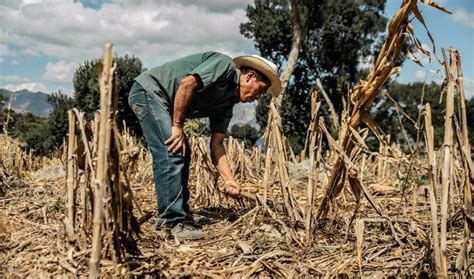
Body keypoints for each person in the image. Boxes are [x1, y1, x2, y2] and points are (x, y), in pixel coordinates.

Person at [128, 51, 281, 240]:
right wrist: (177, 126)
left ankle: (180, 214)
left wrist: (229, 180)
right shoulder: (224, 66)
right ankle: (171, 221)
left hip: (163, 102)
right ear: (250, 76)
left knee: (183, 152)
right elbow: (187, 83)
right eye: (261, 89)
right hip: (149, 92)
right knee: (173, 149)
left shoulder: (226, 106)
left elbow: (217, 144)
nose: (258, 98)